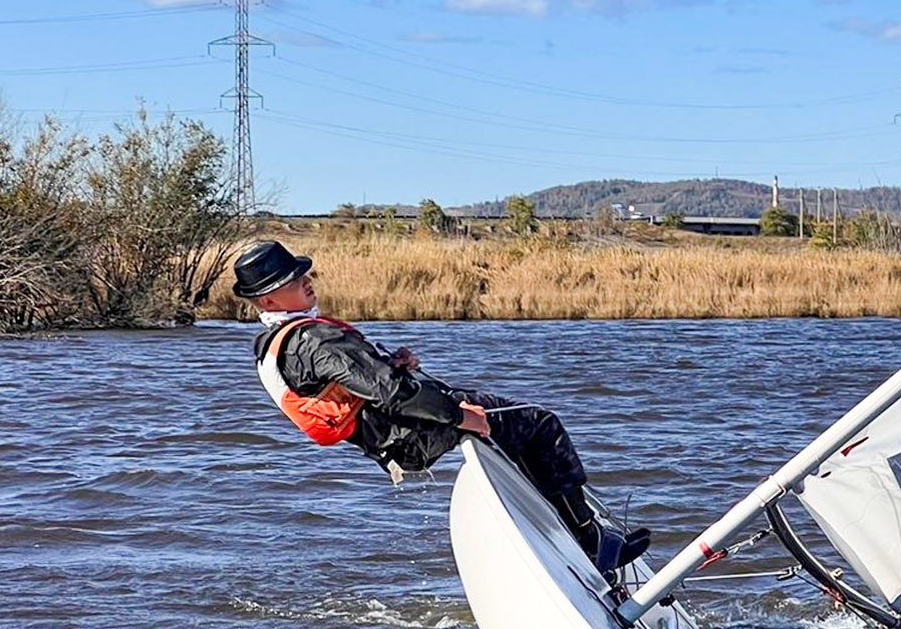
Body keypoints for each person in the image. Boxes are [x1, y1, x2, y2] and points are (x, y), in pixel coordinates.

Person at [233, 239, 645, 577]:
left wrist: (391, 362)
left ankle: (561, 531)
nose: (306, 280)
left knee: (516, 432)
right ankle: (593, 543)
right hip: (412, 431)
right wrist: (462, 417)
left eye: (303, 272)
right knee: (540, 424)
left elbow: (357, 384)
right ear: (268, 301)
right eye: (293, 278)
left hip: (394, 436)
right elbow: (392, 394)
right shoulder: (313, 340)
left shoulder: (277, 343)